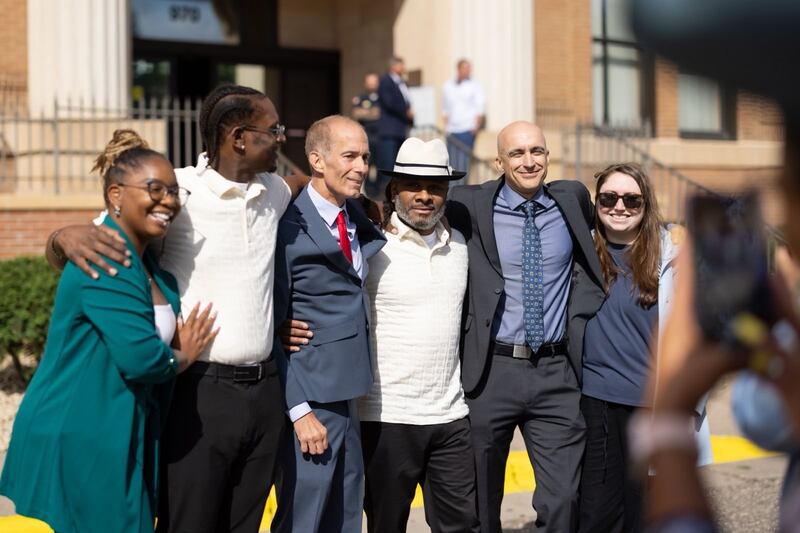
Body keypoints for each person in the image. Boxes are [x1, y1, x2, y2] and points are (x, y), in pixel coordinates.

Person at [45, 84, 306, 533]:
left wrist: (366, 204)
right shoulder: (179, 190)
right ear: (239, 137)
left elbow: (305, 182)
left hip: (265, 391)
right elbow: (101, 236)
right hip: (199, 391)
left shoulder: (274, 192)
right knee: (190, 523)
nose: (282, 139)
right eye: (273, 130)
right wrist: (61, 237)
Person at [0, 130, 217, 533]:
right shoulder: (107, 256)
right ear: (116, 195)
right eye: (155, 189)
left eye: (173, 192)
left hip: (117, 424)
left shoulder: (143, 258)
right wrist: (181, 356)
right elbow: (140, 358)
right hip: (84, 429)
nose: (168, 200)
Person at [446, 121, 606, 533]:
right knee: (480, 503)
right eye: (517, 153)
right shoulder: (467, 204)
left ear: (548, 157)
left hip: (556, 373)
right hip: (491, 372)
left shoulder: (572, 199)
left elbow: (617, 232)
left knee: (564, 500)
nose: (529, 161)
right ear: (498, 162)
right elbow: (414, 208)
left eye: (537, 151)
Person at [577, 162, 712, 533]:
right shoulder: (581, 249)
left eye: (631, 200)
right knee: (596, 513)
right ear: (597, 202)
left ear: (645, 204)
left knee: (646, 513)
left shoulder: (674, 257)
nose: (619, 206)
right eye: (608, 197)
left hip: (654, 403)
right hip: (596, 400)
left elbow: (695, 338)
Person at [271, 115, 387, 533]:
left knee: (344, 515)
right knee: (304, 517)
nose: (361, 167)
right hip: (310, 400)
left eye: (365, 157)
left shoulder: (356, 216)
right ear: (317, 160)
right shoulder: (287, 227)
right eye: (350, 156)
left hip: (349, 393)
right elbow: (272, 329)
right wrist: (299, 411)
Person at [375, 56, 414, 196]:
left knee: (398, 165)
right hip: (389, 131)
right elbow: (389, 102)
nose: (403, 68)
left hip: (400, 130)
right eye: (401, 65)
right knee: (388, 165)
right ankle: (383, 196)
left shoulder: (402, 83)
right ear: (393, 66)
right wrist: (405, 112)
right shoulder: (386, 81)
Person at [442, 59, 485, 185]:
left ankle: (460, 191)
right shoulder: (448, 85)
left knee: (463, 164)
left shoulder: (475, 85)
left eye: (469, 68)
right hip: (452, 130)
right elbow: (445, 108)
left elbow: (480, 107)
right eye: (465, 68)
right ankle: (450, 191)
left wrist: (476, 126)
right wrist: (447, 126)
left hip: (467, 130)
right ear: (459, 69)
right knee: (451, 164)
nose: (468, 70)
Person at [351, 72, 381, 183]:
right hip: (367, 136)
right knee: (367, 162)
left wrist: (366, 113)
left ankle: (379, 188)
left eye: (374, 81)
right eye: (369, 81)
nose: (372, 84)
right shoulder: (361, 98)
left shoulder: (383, 98)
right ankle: (368, 188)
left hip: (380, 136)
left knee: (380, 164)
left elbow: (380, 113)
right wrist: (372, 113)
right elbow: (356, 113)